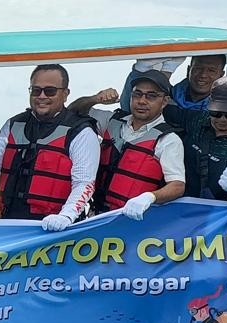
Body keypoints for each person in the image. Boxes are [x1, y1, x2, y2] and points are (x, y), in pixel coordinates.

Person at [0, 64, 99, 229]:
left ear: (65, 94)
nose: (41, 96)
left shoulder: (81, 132)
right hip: (11, 222)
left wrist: (66, 216)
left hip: (58, 227)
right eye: (36, 90)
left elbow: (84, 183)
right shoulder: (13, 124)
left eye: (50, 91)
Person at [70, 70, 186, 220]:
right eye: (137, 94)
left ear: (164, 101)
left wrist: (150, 197)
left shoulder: (168, 140)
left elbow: (177, 186)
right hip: (96, 217)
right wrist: (95, 99)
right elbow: (72, 113)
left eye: (151, 96)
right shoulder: (111, 121)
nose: (142, 101)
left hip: (134, 220)